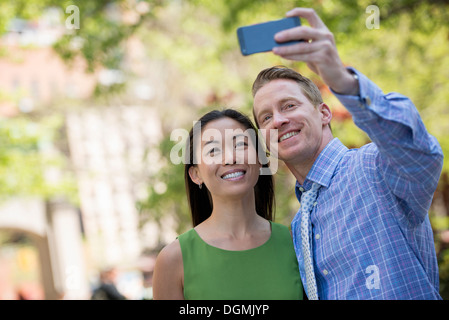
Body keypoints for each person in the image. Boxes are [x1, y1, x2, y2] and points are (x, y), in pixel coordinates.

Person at [251, 8, 444, 300]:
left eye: (289, 106)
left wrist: (341, 78)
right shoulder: (300, 224)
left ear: (324, 113)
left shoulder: (376, 167)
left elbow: (420, 153)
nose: (277, 120)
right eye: (265, 118)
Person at [152, 109, 303, 300]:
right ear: (195, 174)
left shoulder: (295, 243)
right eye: (213, 150)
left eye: (241, 144)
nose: (230, 158)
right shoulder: (173, 259)